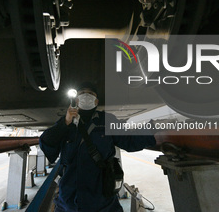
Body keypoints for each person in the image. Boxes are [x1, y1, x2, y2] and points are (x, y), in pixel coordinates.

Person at [39, 82, 156, 212]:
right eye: (82, 93)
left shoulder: (107, 120)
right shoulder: (67, 123)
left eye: (91, 93)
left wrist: (153, 128)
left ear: (96, 101)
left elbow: (129, 140)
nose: (86, 95)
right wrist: (65, 122)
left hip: (102, 201)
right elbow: (46, 144)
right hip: (69, 202)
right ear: (76, 100)